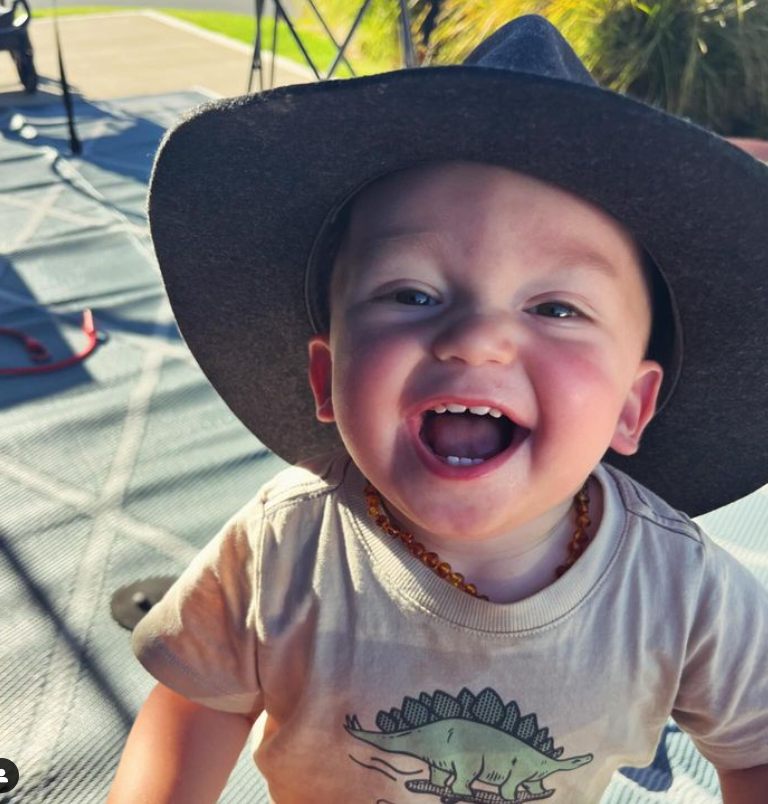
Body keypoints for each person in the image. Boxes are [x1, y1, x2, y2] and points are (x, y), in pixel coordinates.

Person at [106, 15, 768, 804]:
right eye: (411, 293)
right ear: (328, 375)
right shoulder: (285, 543)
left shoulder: (684, 590)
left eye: (557, 307)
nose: (476, 339)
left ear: (633, 405)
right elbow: (197, 701)